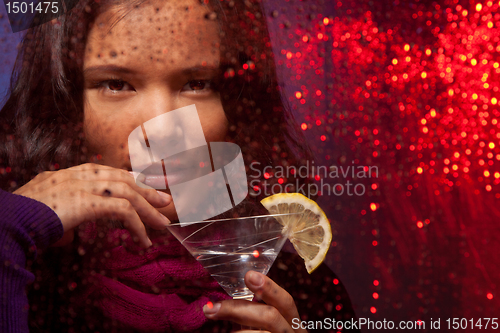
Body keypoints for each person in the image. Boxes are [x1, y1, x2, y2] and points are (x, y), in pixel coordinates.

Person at [0, 0, 359, 331]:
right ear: (65, 107)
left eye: (197, 84)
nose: (164, 128)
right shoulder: (22, 271)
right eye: (116, 84)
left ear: (236, 107)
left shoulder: (301, 295)